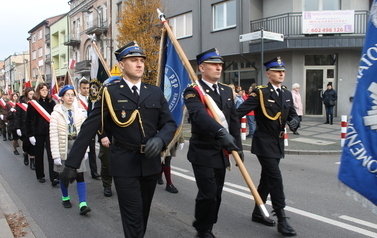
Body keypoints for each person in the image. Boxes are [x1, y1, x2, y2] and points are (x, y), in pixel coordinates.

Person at [60, 41, 176, 237]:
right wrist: (71, 164)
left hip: (150, 164)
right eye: (133, 60)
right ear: (122, 65)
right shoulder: (110, 93)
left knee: (143, 215)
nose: (139, 64)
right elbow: (89, 128)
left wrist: (160, 140)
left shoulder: (154, 92)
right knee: (132, 217)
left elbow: (169, 124)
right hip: (124, 163)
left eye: (141, 60)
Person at [184, 48, 243, 238]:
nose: (219, 68)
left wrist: (238, 148)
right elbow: (199, 116)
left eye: (220, 64)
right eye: (214, 64)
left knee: (216, 194)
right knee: (208, 193)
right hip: (202, 151)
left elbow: (233, 120)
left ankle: (208, 224)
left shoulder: (226, 90)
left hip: (221, 152)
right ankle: (202, 229)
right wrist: (219, 132)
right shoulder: (194, 90)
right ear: (202, 67)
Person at [237, 57, 299, 237]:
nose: (281, 74)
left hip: (278, 143)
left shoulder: (287, 94)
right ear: (268, 73)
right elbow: (238, 112)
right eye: (277, 70)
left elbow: (292, 115)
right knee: (275, 178)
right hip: (264, 142)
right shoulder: (260, 93)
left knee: (266, 179)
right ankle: (282, 218)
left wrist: (295, 122)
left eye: (283, 71)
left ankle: (258, 212)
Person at [50, 85, 91, 215]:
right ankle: (65, 197)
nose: (70, 97)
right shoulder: (56, 114)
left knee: (80, 174)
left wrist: (85, 150)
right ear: (61, 97)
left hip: (77, 145)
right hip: (63, 145)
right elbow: (53, 135)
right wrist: (56, 155)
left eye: (72, 94)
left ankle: (83, 203)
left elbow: (84, 133)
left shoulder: (79, 112)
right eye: (67, 94)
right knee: (64, 175)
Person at [26, 83, 60, 186]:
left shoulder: (51, 103)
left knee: (52, 154)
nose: (45, 91)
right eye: (42, 90)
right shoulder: (33, 104)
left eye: (46, 89)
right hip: (38, 133)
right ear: (38, 91)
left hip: (50, 132)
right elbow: (29, 120)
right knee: (39, 155)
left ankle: (54, 177)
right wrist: (31, 135)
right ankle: (40, 175)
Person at [78, 78, 101, 180]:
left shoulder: (92, 99)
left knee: (92, 150)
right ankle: (78, 170)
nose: (86, 90)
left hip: (91, 126)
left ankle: (94, 171)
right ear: (80, 88)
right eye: (84, 88)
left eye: (87, 88)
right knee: (81, 149)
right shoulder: (76, 100)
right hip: (81, 127)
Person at [15, 88, 35, 169]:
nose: (32, 96)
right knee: (26, 144)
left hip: (32, 127)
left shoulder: (35, 103)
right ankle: (25, 154)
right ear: (27, 94)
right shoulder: (20, 105)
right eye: (30, 94)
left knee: (33, 145)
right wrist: (18, 128)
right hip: (24, 128)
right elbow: (17, 117)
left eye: (33, 94)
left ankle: (32, 161)